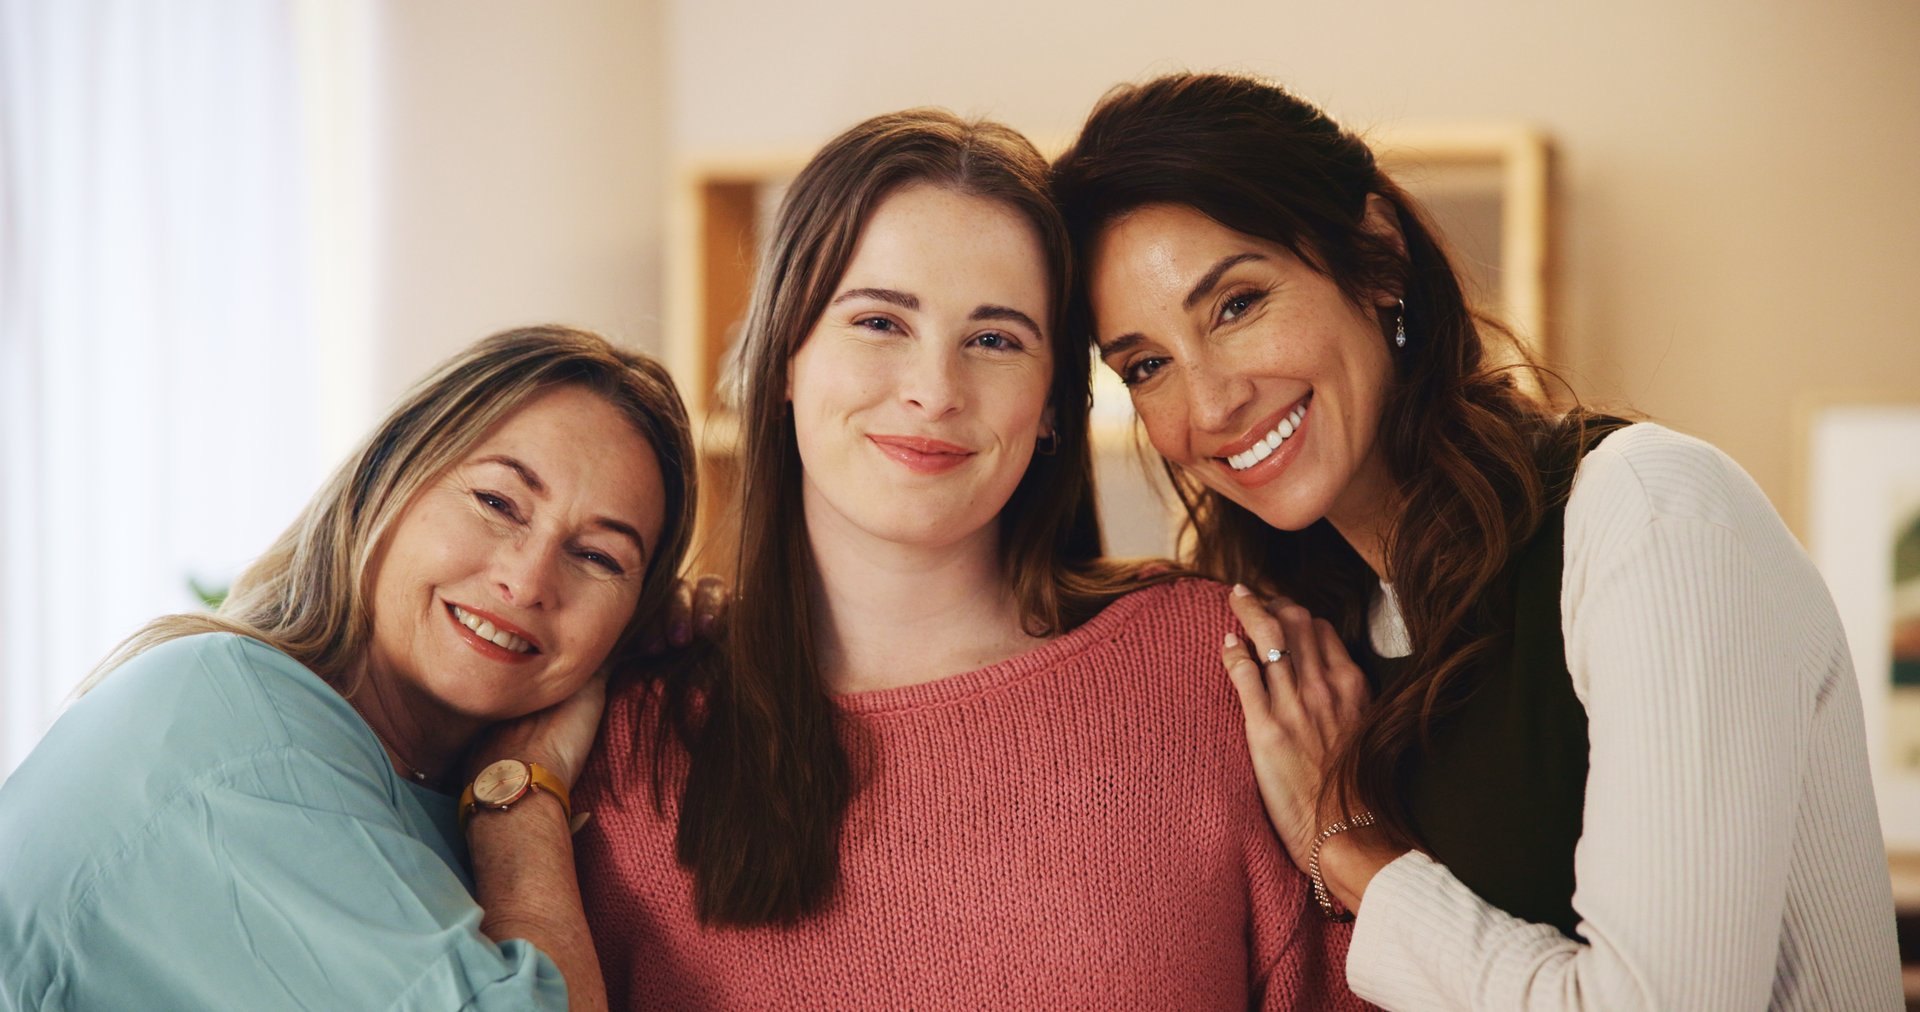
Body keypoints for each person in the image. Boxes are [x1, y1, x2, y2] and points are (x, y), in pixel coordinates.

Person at [1051, 71, 1904, 1009]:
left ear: (1375, 256)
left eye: (1238, 304)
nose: (1208, 403)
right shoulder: (1302, 647)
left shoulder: (1650, 517)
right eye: (1147, 365)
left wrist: (1353, 853)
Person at [572, 109, 1364, 1009]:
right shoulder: (628, 735)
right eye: (878, 322)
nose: (934, 391)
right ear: (785, 357)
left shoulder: (1217, 668)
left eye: (994, 340)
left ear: (1055, 403)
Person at [0, 326, 697, 1011]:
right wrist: (519, 804)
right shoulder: (235, 729)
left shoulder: (410, 784)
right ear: (384, 482)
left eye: (600, 557)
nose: (529, 580)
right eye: (497, 503)